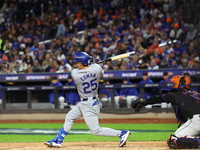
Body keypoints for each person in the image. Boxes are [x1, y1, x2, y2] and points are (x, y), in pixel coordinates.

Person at [44, 52, 130, 148]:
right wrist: (93, 64)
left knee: (96, 130)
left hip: (89, 104)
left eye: (77, 62)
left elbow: (84, 69)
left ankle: (121, 133)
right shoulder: (97, 69)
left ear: (81, 63)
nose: (76, 64)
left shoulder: (75, 74)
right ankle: (59, 140)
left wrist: (91, 64)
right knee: (70, 116)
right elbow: (98, 71)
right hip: (89, 102)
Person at [131, 75, 200, 149]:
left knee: (174, 141)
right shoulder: (196, 94)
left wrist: (143, 102)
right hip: (196, 121)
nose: (172, 85)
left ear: (179, 84)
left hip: (196, 120)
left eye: (174, 83)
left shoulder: (176, 94)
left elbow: (157, 98)